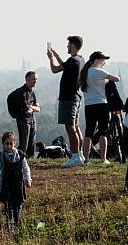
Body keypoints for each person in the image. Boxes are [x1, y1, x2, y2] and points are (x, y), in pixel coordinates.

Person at [48, 35, 85, 167]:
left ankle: (75, 156)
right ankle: (80, 154)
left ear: (73, 46)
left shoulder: (72, 61)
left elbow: (55, 69)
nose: (67, 47)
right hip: (76, 97)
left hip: (68, 99)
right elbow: (64, 65)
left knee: (70, 128)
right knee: (75, 126)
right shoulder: (80, 60)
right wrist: (56, 55)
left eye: (68, 45)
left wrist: (51, 58)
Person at [79, 51, 120, 164]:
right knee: (103, 132)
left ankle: (86, 159)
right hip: (101, 104)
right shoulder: (98, 71)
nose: (104, 63)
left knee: (88, 132)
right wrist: (106, 80)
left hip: (89, 105)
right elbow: (117, 79)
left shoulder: (85, 72)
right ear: (96, 60)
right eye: (103, 60)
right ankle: (103, 158)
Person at [0, 131, 32, 227]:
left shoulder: (20, 155)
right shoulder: (1, 157)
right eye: (6, 144)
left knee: (18, 204)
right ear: (3, 144)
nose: (9, 146)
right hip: (6, 185)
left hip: (18, 185)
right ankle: (10, 224)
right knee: (8, 206)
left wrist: (27, 179)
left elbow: (25, 167)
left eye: (11, 143)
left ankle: (16, 221)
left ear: (14, 143)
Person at [7, 71, 40, 156]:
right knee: (23, 144)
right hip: (23, 120)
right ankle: (18, 159)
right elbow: (27, 109)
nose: (35, 81)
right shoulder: (21, 92)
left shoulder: (32, 92)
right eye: (33, 79)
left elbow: (38, 109)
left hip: (32, 119)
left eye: (36, 79)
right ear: (27, 79)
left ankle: (30, 160)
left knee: (32, 143)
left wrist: (31, 107)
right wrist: (32, 107)